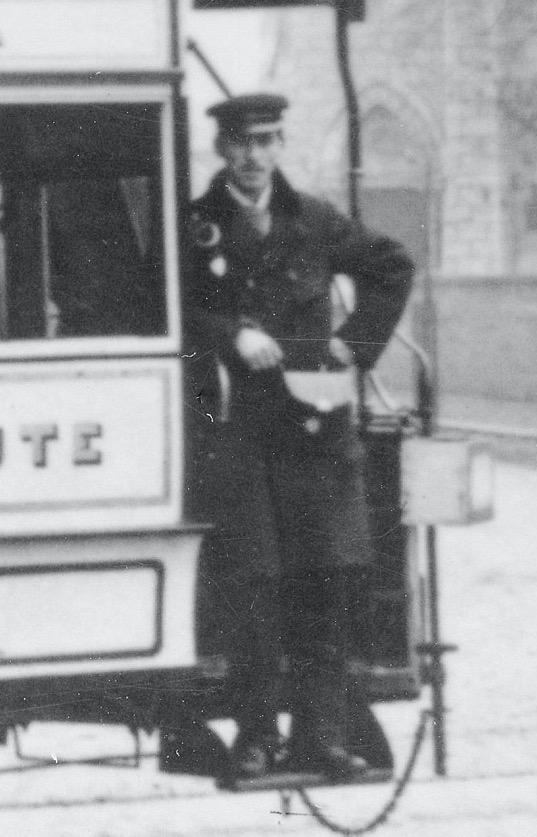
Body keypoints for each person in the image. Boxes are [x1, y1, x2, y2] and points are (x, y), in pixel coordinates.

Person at [185, 93, 414, 782]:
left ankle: (322, 739)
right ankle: (255, 739)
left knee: (323, 585)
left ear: (281, 144)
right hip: (243, 434)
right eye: (243, 144)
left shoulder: (313, 219)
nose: (255, 157)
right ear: (223, 149)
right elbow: (182, 303)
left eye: (268, 141)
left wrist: (355, 345)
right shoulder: (199, 225)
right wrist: (233, 333)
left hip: (315, 433)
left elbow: (392, 265)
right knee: (256, 589)